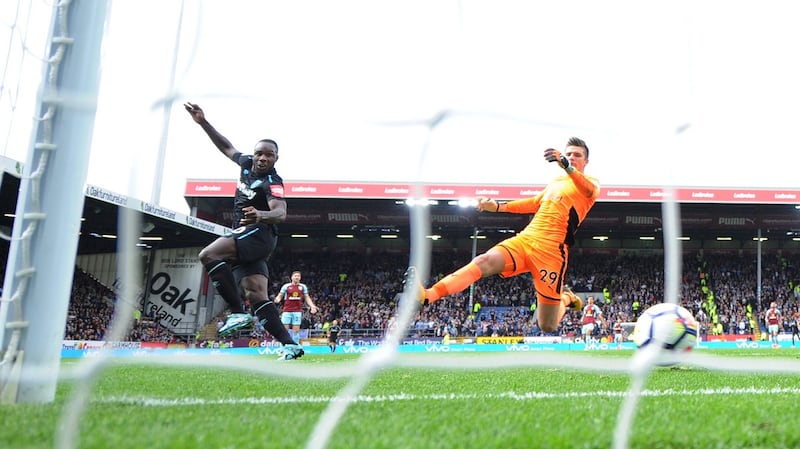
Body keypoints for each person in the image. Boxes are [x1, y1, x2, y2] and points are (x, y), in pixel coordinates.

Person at [406, 137, 599, 334]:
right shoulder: (556, 183)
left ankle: (567, 298)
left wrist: (566, 165)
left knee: (547, 325)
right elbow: (534, 203)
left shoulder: (590, 184)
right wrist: (498, 206)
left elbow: (588, 189)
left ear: (586, 161)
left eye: (577, 155)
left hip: (551, 253)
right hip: (526, 240)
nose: (572, 157)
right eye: (569, 154)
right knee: (483, 261)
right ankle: (427, 296)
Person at [184, 102, 304, 360]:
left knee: (208, 255)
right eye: (259, 153)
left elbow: (281, 212)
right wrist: (203, 122)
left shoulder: (273, 182)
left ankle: (237, 313)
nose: (262, 158)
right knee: (258, 295)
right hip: (249, 238)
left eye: (268, 155)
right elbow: (226, 146)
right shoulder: (246, 163)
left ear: (276, 158)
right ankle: (290, 345)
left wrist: (262, 214)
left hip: (259, 234)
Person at [273, 271, 318, 342]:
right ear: (292, 277)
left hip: (297, 311)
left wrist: (312, 306)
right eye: (295, 276)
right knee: (284, 330)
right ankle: (283, 347)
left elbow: (307, 297)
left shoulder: (302, 287)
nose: (297, 277)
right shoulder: (286, 286)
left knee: (296, 330)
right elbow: (280, 295)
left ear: (300, 278)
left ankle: (295, 346)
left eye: (298, 276)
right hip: (287, 310)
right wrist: (277, 299)